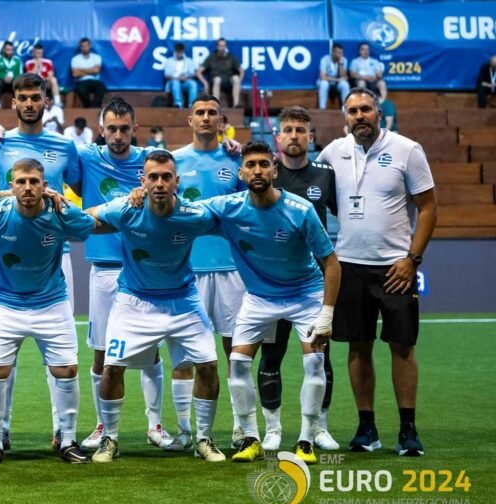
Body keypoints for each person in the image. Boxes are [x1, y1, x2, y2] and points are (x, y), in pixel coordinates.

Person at [201, 140, 341, 464]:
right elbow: (187, 212)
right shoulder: (229, 208)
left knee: (315, 362)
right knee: (238, 362)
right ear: (241, 173)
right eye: (250, 165)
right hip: (260, 297)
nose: (257, 171)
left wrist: (327, 314)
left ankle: (306, 440)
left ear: (274, 171)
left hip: (305, 293)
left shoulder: (300, 210)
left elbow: (332, 264)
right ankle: (251, 438)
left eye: (264, 164)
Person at [316, 88, 437, 457]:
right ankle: (366, 428)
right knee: (358, 346)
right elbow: (308, 187)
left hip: (395, 267)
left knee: (403, 346)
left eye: (366, 109)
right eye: (352, 111)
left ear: (379, 112)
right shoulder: (332, 152)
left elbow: (428, 207)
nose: (359, 116)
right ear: (345, 116)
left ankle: (408, 429)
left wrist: (412, 259)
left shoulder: (407, 149)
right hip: (349, 266)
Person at [86, 150, 226, 464]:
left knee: (208, 365)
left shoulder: (194, 215)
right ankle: (110, 438)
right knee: (111, 367)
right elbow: (90, 217)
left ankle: (204, 439)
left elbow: (230, 219)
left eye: (166, 177)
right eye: (153, 177)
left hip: (183, 301)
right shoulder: (127, 209)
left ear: (176, 181)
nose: (159, 183)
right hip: (134, 301)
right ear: (143, 181)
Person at [0, 159, 93, 465]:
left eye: (34, 182)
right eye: (21, 182)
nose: (28, 187)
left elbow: (85, 227)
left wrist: (64, 203)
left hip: (52, 302)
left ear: (45, 186)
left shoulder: (58, 213)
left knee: (67, 370)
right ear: (12, 186)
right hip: (5, 304)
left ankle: (68, 440)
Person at [0, 72, 81, 449]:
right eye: (22, 98)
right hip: (10, 254)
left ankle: (62, 432)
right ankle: (0, 431)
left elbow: (79, 191)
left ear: (45, 102)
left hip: (57, 257)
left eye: (35, 97)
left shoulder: (65, 146)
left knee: (58, 355)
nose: (28, 103)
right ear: (13, 103)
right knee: (2, 359)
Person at [77, 99, 174, 451]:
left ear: (135, 128)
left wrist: (230, 146)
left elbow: (175, 183)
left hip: (144, 268)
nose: (118, 136)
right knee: (101, 353)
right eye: (111, 129)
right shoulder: (86, 156)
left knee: (151, 352)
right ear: (101, 130)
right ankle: (102, 425)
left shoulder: (151, 161)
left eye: (124, 129)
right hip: (105, 269)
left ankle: (155, 425)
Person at [256, 106, 340, 452]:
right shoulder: (266, 174)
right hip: (272, 284)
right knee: (271, 356)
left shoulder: (326, 175)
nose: (294, 135)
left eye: (300, 130)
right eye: (288, 130)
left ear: (310, 137)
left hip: (312, 286)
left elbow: (348, 215)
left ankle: (319, 427)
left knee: (320, 356)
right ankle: (272, 428)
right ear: (278, 137)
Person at [172, 93, 245, 450]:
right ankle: (185, 431)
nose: (205, 117)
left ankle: (241, 427)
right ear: (190, 120)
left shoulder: (236, 160)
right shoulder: (174, 161)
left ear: (221, 120)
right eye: (199, 112)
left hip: (231, 268)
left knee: (237, 353)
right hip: (187, 270)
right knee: (185, 355)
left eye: (211, 113)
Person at [197, 38, 243, 108]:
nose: (222, 48)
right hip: (216, 80)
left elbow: (241, 71)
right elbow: (198, 72)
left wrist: (239, 81)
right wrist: (205, 83)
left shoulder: (230, 57)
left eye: (224, 46)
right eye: (220, 46)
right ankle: (216, 105)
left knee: (236, 78)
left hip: (228, 81)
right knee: (217, 79)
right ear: (217, 46)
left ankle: (236, 105)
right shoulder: (211, 57)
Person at [71, 38, 105, 108]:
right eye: (82, 46)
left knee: (101, 87)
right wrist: (91, 70)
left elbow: (96, 70)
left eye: (86, 46)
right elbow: (75, 74)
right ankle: (88, 107)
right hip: (82, 81)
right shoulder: (75, 59)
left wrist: (80, 70)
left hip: (95, 81)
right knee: (81, 90)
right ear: (80, 47)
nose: (84, 48)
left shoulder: (96, 57)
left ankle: (95, 107)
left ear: (90, 46)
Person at [25, 43, 62, 107]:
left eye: (40, 53)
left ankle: (57, 102)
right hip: (34, 82)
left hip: (45, 82)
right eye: (37, 53)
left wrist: (44, 79)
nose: (39, 55)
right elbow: (29, 76)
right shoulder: (29, 63)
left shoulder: (48, 62)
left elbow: (50, 75)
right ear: (33, 52)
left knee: (53, 79)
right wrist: (36, 65)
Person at [164, 43, 199, 108]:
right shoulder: (169, 61)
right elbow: (166, 75)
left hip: (184, 82)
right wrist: (177, 78)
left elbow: (192, 73)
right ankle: (178, 104)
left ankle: (192, 105)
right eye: (178, 52)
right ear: (175, 51)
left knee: (193, 83)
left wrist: (186, 77)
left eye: (181, 51)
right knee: (175, 82)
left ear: (183, 51)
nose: (179, 53)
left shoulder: (188, 61)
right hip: (173, 83)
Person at [317, 44, 350, 111]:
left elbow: (344, 77)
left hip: (337, 83)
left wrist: (341, 64)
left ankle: (346, 109)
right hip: (326, 81)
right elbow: (323, 77)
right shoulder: (325, 60)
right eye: (338, 52)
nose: (340, 55)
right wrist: (337, 80)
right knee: (324, 84)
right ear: (333, 52)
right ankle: (322, 109)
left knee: (345, 85)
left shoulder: (344, 60)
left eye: (341, 53)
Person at [0, 41, 23, 109]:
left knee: (17, 83)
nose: (9, 52)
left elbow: (21, 74)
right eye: (7, 50)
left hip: (13, 82)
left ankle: (15, 104)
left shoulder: (17, 60)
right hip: (1, 82)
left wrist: (12, 77)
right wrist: (3, 77)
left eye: (11, 50)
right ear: (3, 49)